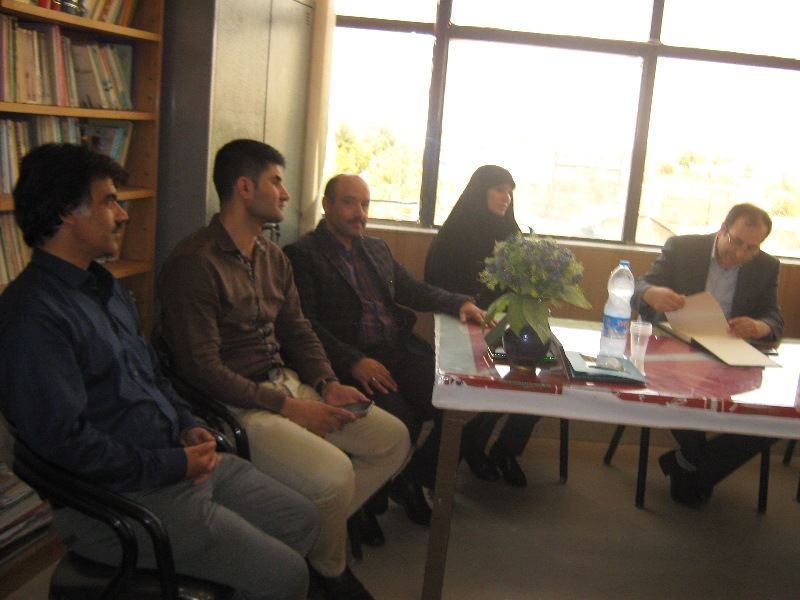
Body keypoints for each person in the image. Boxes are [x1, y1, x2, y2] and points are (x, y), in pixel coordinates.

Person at [0, 143, 320, 600]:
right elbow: (63, 444)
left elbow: (152, 376)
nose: (123, 215)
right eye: (110, 202)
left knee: (301, 518)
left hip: (172, 462)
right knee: (287, 575)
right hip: (120, 500)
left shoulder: (105, 287)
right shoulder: (34, 315)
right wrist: (172, 464)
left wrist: (187, 425)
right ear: (68, 212)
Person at [157, 140, 410, 600]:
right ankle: (328, 573)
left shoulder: (271, 257)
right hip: (236, 405)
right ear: (244, 187)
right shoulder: (194, 263)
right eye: (276, 182)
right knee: (335, 476)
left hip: (289, 384)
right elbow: (202, 369)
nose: (286, 194)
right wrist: (289, 408)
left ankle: (297, 536)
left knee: (392, 439)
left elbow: (298, 330)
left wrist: (327, 383)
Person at [282, 173, 485, 527]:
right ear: (327, 205)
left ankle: (413, 478)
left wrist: (460, 303)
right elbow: (305, 325)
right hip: (352, 360)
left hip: (398, 350)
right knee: (400, 422)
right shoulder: (302, 255)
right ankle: (367, 500)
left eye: (364, 204)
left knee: (466, 400)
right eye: (349, 203)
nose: (359, 213)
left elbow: (413, 290)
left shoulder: (375, 248)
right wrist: (354, 361)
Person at [632, 202, 784, 507]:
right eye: (736, 242)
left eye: (751, 248)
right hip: (675, 349)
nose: (740, 253)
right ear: (722, 229)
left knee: (778, 417)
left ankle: (687, 464)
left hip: (729, 355)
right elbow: (638, 287)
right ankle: (694, 469)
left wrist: (759, 326)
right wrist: (651, 293)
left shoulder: (767, 266)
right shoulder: (683, 248)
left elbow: (774, 318)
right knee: (679, 393)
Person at [424, 165, 540, 487]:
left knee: (541, 372)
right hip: (462, 326)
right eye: (499, 189)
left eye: (510, 192)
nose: (506, 197)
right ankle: (473, 447)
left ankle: (506, 448)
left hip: (504, 327)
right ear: (480, 192)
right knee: (491, 384)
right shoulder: (455, 234)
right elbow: (438, 288)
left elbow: (521, 286)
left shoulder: (511, 234)